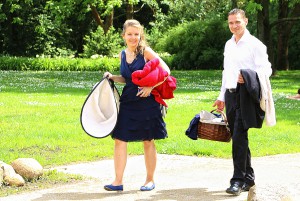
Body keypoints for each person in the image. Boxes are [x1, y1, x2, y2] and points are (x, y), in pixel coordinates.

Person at [103, 19, 171, 192]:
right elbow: (127, 79)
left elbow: (166, 71)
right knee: (120, 139)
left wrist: (151, 87)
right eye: (130, 34)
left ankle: (150, 180)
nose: (133, 37)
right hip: (128, 101)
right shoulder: (123, 54)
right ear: (123, 35)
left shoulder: (145, 52)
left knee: (148, 140)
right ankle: (118, 181)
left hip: (148, 102)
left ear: (140, 35)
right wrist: (112, 77)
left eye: (136, 34)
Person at [213, 8, 272, 196]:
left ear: (245, 21)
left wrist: (247, 77)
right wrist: (221, 96)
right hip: (230, 95)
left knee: (239, 135)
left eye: (237, 22)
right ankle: (249, 178)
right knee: (239, 136)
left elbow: (267, 70)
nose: (234, 26)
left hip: (245, 95)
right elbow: (226, 72)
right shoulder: (228, 45)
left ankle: (237, 180)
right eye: (230, 23)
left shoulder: (256, 45)